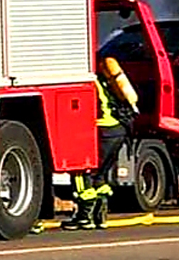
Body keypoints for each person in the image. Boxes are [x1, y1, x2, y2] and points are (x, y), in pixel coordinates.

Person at [61, 57, 138, 230]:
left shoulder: (90, 84)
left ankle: (84, 216)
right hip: (118, 131)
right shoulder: (105, 82)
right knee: (100, 174)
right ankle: (100, 216)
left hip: (104, 132)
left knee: (81, 171)